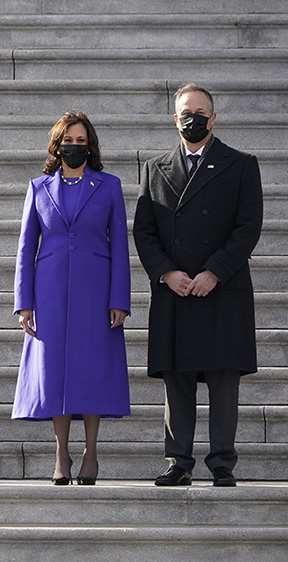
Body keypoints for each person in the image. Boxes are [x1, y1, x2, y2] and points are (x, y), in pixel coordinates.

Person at [133, 83, 263, 487]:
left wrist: (215, 271)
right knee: (178, 379)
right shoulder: (155, 168)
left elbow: (248, 227)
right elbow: (144, 231)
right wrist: (167, 272)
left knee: (224, 379)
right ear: (175, 118)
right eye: (186, 112)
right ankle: (179, 461)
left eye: (201, 112)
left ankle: (222, 462)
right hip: (176, 289)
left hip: (222, 287)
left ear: (214, 116)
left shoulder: (241, 164)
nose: (194, 119)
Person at [13, 111, 131, 486]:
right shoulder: (38, 187)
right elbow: (25, 247)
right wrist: (23, 302)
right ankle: (61, 452)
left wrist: (120, 299)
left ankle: (91, 451)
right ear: (57, 144)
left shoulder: (109, 186)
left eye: (81, 141)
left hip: (96, 291)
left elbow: (121, 249)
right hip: (49, 292)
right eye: (68, 140)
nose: (74, 146)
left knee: (92, 370)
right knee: (55, 372)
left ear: (90, 145)